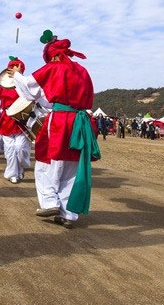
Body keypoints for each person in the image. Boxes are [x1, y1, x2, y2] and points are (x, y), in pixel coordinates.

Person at [11, 31, 99, 229]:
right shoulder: (82, 71)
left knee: (47, 162)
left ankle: (50, 202)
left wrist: (16, 75)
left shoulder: (54, 67)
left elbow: (28, 88)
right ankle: (69, 214)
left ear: (52, 55)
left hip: (60, 120)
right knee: (71, 167)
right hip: (81, 121)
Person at [0, 57, 30, 184]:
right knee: (10, 148)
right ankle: (12, 174)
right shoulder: (2, 87)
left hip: (22, 118)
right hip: (6, 119)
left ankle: (22, 166)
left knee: (20, 147)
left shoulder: (26, 84)